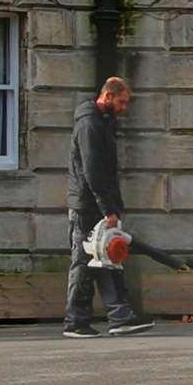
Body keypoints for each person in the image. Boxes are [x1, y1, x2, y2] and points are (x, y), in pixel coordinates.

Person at [64, 72, 153, 337]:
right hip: (87, 206)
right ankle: (76, 321)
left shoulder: (102, 121)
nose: (124, 109)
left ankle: (119, 316)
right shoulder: (90, 125)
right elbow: (93, 171)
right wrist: (108, 210)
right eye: (122, 102)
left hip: (97, 203)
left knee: (108, 259)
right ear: (108, 95)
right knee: (83, 263)